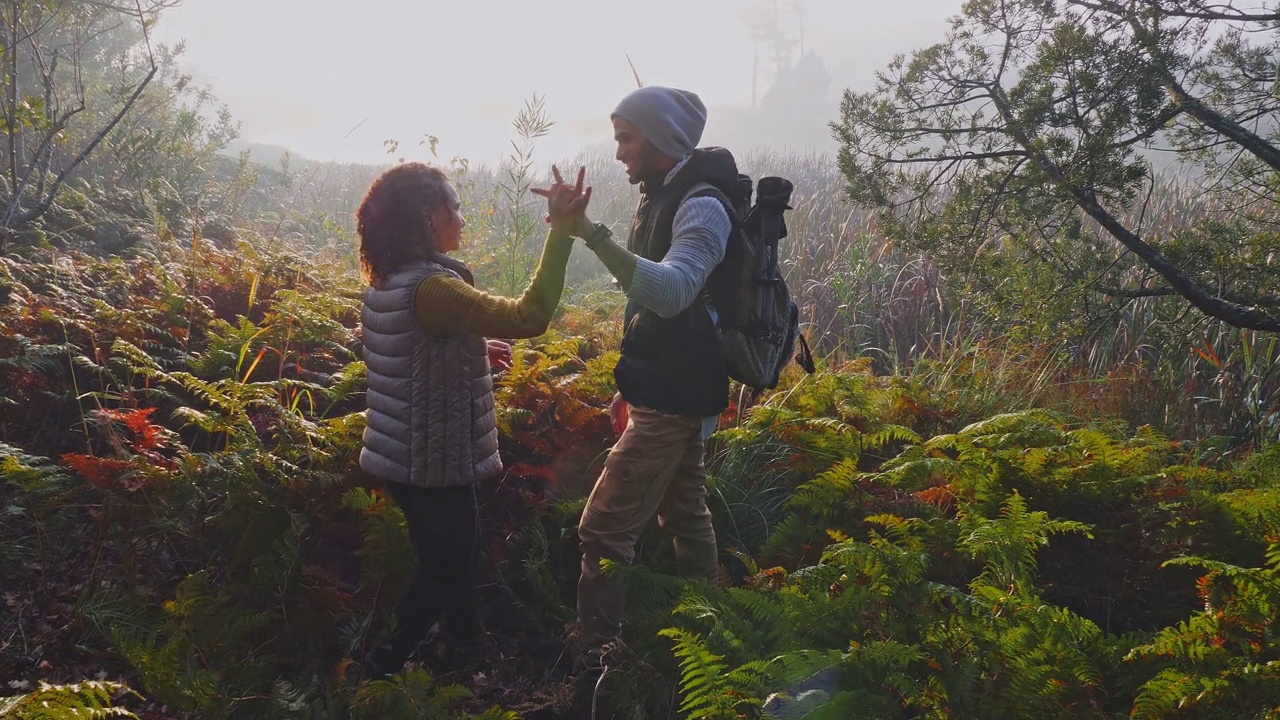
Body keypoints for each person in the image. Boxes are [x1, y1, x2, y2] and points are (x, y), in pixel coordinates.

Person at [356, 161, 589, 677]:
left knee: (457, 555)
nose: (460, 218)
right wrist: (563, 233)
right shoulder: (435, 290)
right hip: (431, 462)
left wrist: (473, 349)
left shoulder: (391, 280)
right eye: (453, 208)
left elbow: (411, 353)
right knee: (447, 566)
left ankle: (464, 649)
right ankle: (381, 666)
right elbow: (531, 317)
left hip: (405, 457)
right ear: (425, 217)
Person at [561, 86, 739, 648]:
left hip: (678, 395)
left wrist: (589, 232)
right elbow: (646, 305)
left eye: (626, 138)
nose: (618, 153)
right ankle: (705, 629)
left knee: (602, 528)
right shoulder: (662, 193)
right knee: (686, 513)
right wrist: (631, 385)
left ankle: (598, 651)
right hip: (666, 389)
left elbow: (673, 292)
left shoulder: (703, 203)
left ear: (662, 137)